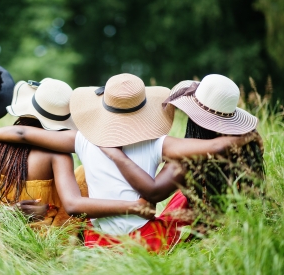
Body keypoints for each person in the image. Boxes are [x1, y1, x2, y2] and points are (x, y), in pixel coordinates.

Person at [0, 73, 260, 251]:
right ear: (143, 111)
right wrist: (247, 136)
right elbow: (219, 144)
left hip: (98, 241)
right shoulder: (159, 143)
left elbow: (24, 133)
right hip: (147, 241)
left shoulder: (83, 139)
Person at [0, 78, 155, 227]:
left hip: (0, 231)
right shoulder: (58, 155)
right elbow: (72, 203)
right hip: (46, 229)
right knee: (83, 175)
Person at [99, 74, 264, 231]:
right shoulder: (244, 150)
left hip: (200, 227)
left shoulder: (187, 160)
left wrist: (115, 154)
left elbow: (153, 193)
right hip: (236, 225)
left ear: (194, 121)